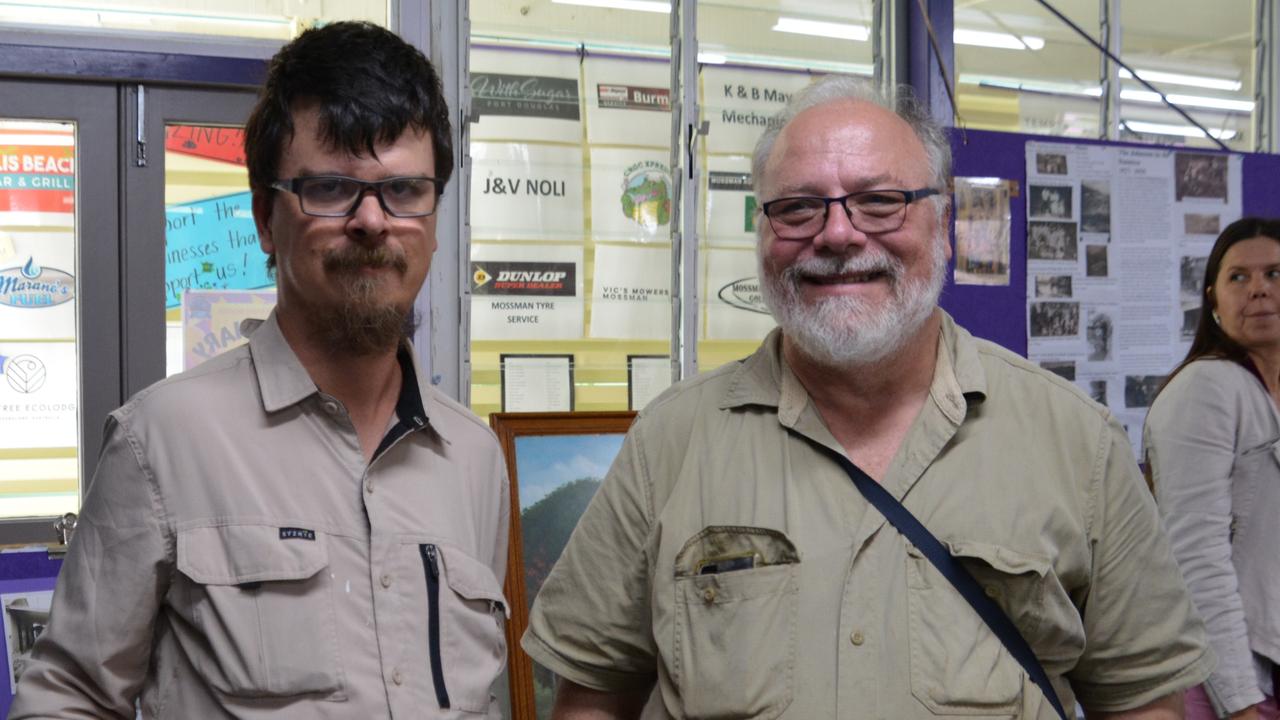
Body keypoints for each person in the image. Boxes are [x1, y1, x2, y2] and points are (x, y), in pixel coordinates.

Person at [522, 74, 1212, 719]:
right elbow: (592, 694)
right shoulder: (671, 442)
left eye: (880, 201)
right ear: (762, 234)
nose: (838, 233)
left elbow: (1143, 699)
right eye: (797, 206)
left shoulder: (1076, 443)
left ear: (942, 226)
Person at [9, 22, 510, 718]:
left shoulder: (475, 460)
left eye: (403, 190)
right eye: (332, 188)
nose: (372, 220)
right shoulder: (161, 441)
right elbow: (66, 698)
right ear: (266, 221)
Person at [1144, 217, 1280, 720]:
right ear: (1214, 303)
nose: (1260, 290)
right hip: (1223, 678)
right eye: (1239, 278)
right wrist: (1240, 699)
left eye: (1275, 274)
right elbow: (1196, 557)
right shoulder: (1207, 390)